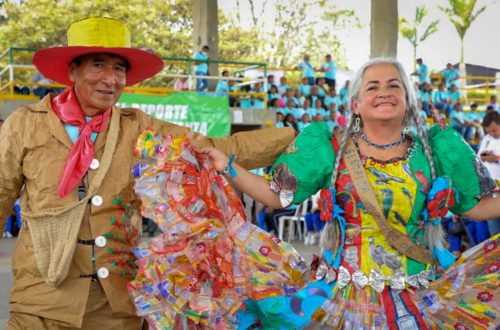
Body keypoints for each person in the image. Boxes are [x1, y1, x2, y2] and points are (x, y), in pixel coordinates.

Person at [0, 17, 297, 329]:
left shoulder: (139, 127)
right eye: (98, 65)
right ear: (72, 71)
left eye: (119, 69)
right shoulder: (24, 125)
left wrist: (295, 138)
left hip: (116, 311)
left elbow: (210, 147)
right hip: (40, 307)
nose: (110, 79)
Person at [204, 58, 500, 329]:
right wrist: (228, 166)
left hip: (418, 295)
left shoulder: (437, 151)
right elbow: (274, 194)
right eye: (373, 87)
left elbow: (477, 208)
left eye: (394, 85)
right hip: (339, 296)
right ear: (356, 104)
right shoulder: (329, 149)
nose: (384, 91)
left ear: (408, 99)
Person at [478, 111, 500, 236]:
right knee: (494, 231)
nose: (492, 133)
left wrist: (495, 157)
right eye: (489, 131)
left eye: (494, 130)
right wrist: (487, 157)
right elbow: (480, 156)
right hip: (491, 189)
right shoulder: (487, 138)